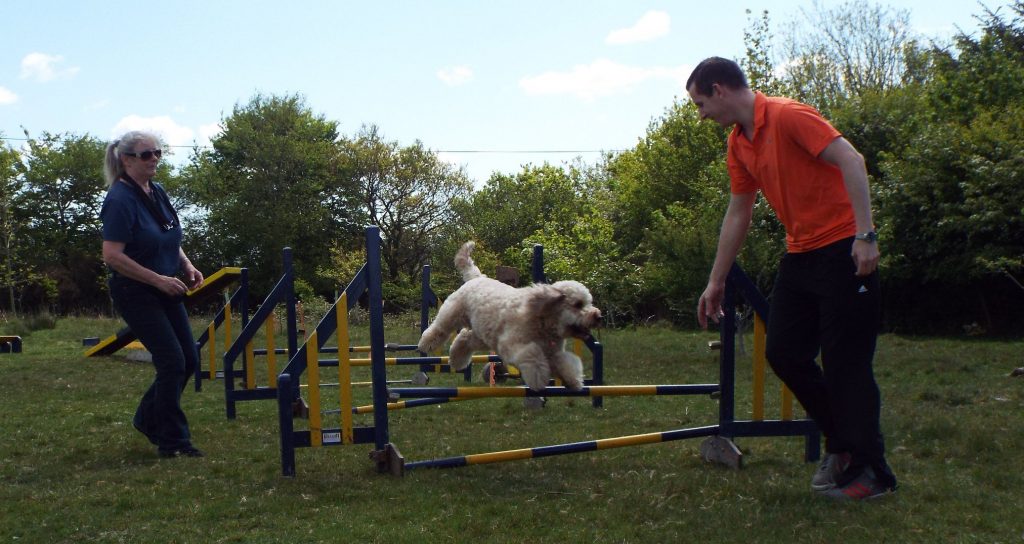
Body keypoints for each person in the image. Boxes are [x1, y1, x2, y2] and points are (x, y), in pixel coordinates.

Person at [688, 57, 897, 500]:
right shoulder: (738, 144)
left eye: (701, 103)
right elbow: (739, 212)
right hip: (800, 256)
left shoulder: (788, 115)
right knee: (783, 352)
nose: (700, 114)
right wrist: (716, 280)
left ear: (720, 89)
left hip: (844, 249)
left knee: (846, 364)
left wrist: (865, 235)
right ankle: (842, 444)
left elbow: (851, 159)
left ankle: (873, 472)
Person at [101, 131, 205, 458]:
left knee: (189, 359)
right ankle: (173, 441)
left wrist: (186, 265)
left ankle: (148, 418)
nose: (155, 158)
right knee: (172, 362)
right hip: (135, 291)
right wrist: (158, 280)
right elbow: (112, 255)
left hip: (166, 286)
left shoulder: (156, 191)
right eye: (146, 154)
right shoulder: (119, 199)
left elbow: (168, 235)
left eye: (158, 152)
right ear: (126, 160)